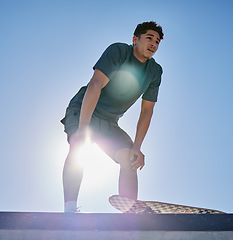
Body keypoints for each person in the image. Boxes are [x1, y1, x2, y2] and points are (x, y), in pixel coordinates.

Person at [61, 21, 164, 213]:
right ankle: (70, 209)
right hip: (84, 109)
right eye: (149, 38)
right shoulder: (119, 51)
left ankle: (130, 213)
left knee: (130, 158)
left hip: (109, 121)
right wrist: (83, 127)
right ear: (135, 39)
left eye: (157, 42)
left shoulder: (155, 72)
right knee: (78, 145)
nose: (153, 44)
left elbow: (147, 111)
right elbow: (95, 85)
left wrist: (137, 147)